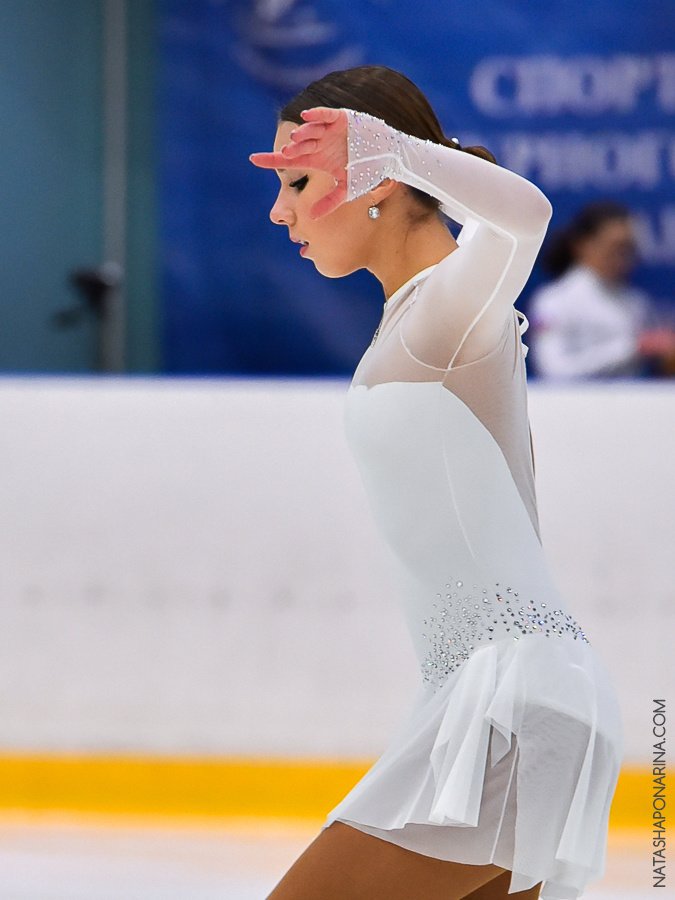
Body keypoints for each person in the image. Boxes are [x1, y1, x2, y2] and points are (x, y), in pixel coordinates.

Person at [250, 65, 622, 900]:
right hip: (493, 708)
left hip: (511, 706)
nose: (280, 211)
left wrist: (388, 147)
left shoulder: (452, 310)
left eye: (299, 182)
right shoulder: (415, 320)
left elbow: (524, 214)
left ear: (377, 180)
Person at [528, 201, 675, 378]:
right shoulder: (553, 300)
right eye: (614, 248)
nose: (622, 258)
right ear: (582, 245)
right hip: (575, 404)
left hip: (631, 403)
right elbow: (553, 370)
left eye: (628, 249)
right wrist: (635, 347)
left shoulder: (636, 302)